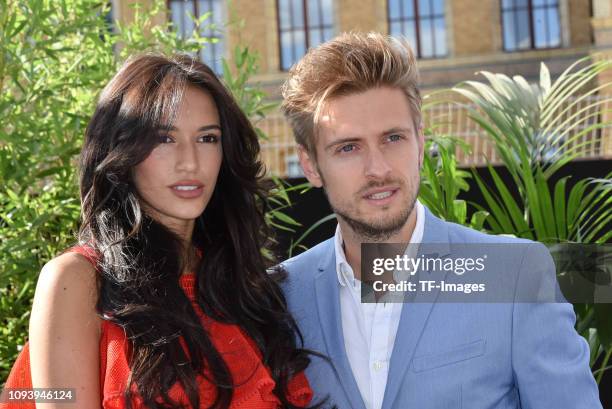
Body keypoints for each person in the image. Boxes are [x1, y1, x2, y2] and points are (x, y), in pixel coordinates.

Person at [278, 32, 602, 409]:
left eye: (393, 138)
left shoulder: (514, 278)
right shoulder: (279, 297)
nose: (378, 168)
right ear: (310, 165)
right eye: (348, 147)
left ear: (420, 141)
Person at [1, 54, 314, 409]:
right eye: (164, 139)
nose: (190, 162)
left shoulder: (240, 284)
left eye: (208, 138)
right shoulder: (75, 281)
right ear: (121, 150)